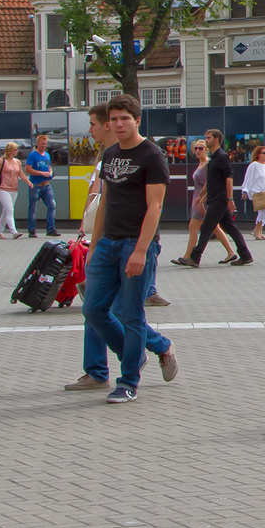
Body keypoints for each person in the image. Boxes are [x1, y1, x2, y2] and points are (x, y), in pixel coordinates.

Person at [67, 101, 177, 393]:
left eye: (124, 118)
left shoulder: (152, 156)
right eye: (114, 119)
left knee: (130, 314)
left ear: (137, 120)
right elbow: (104, 201)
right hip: (107, 243)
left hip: (135, 242)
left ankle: (128, 382)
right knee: (93, 309)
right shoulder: (111, 153)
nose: (118, 124)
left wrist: (141, 250)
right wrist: (94, 245)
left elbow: (155, 206)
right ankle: (135, 353)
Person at [177, 128, 252, 266]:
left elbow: (228, 179)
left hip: (220, 199)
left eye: (208, 138)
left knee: (206, 227)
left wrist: (229, 199)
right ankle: (245, 255)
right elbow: (210, 182)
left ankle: (194, 257)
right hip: (214, 198)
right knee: (230, 228)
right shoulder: (213, 159)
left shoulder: (222, 157)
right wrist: (200, 197)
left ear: (216, 139)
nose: (206, 140)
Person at [183, 138, 236, 263]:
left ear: (206, 150)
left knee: (194, 227)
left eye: (200, 148)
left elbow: (211, 183)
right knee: (214, 227)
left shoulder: (208, 164)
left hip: (206, 199)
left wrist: (202, 199)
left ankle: (188, 256)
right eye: (195, 148)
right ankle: (231, 252)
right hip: (199, 198)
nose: (197, 151)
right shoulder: (201, 164)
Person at [21, 133, 58, 238]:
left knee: (52, 205)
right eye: (42, 144)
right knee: (33, 208)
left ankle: (51, 228)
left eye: (45, 144)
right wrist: (41, 173)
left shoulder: (47, 155)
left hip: (46, 184)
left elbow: (49, 166)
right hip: (36, 184)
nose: (44, 146)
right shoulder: (32, 155)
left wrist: (50, 172)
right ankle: (31, 229)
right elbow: (28, 169)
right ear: (37, 144)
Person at [241, 144, 265, 241]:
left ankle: (258, 231)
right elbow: (248, 179)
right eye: (264, 153)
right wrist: (245, 191)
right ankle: (257, 231)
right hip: (257, 192)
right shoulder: (254, 165)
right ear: (258, 154)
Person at [0, 143, 21, 238]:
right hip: (3, 189)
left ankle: (0, 231)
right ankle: (14, 231)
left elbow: (21, 174)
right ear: (10, 150)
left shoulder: (17, 161)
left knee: (6, 210)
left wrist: (28, 182)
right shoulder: (1, 161)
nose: (17, 151)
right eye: (15, 149)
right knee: (10, 210)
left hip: (14, 189)